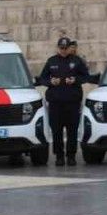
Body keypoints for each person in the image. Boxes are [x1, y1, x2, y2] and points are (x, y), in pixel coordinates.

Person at [36, 37, 90, 166]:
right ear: (58, 48)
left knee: (72, 130)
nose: (64, 50)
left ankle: (71, 156)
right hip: (56, 103)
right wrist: (50, 82)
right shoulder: (51, 61)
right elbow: (42, 79)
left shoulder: (76, 61)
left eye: (66, 48)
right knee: (56, 130)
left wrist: (75, 80)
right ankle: (59, 156)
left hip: (72, 102)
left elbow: (86, 77)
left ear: (69, 48)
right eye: (61, 48)